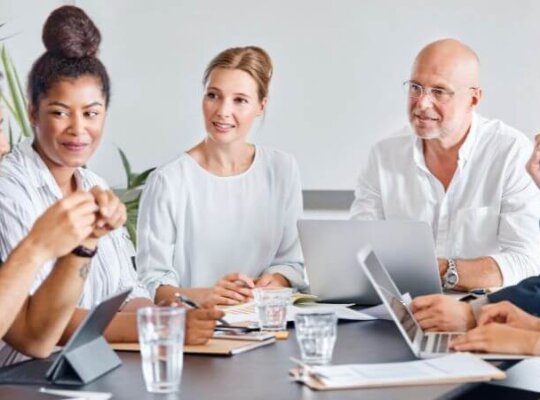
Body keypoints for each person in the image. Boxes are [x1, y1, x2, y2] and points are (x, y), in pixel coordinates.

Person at [0, 6, 221, 366]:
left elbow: (124, 290)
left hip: (89, 365)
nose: (78, 129)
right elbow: (34, 329)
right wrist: (157, 329)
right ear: (32, 112)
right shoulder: (9, 188)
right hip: (25, 374)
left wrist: (159, 316)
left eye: (91, 113)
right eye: (60, 112)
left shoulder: (93, 185)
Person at [351, 38, 540, 292]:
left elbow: (525, 261)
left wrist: (442, 271)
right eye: (416, 87)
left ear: (473, 99)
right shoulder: (384, 155)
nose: (422, 103)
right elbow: (358, 251)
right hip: (401, 311)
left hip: (484, 316)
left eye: (438, 91)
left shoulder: (511, 152)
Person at [137, 46, 307, 306]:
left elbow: (290, 261)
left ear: (261, 106)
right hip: (195, 328)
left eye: (240, 100)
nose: (222, 111)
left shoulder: (282, 169)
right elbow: (151, 282)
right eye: (213, 95)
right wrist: (206, 297)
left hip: (264, 321)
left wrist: (277, 280)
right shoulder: (169, 180)